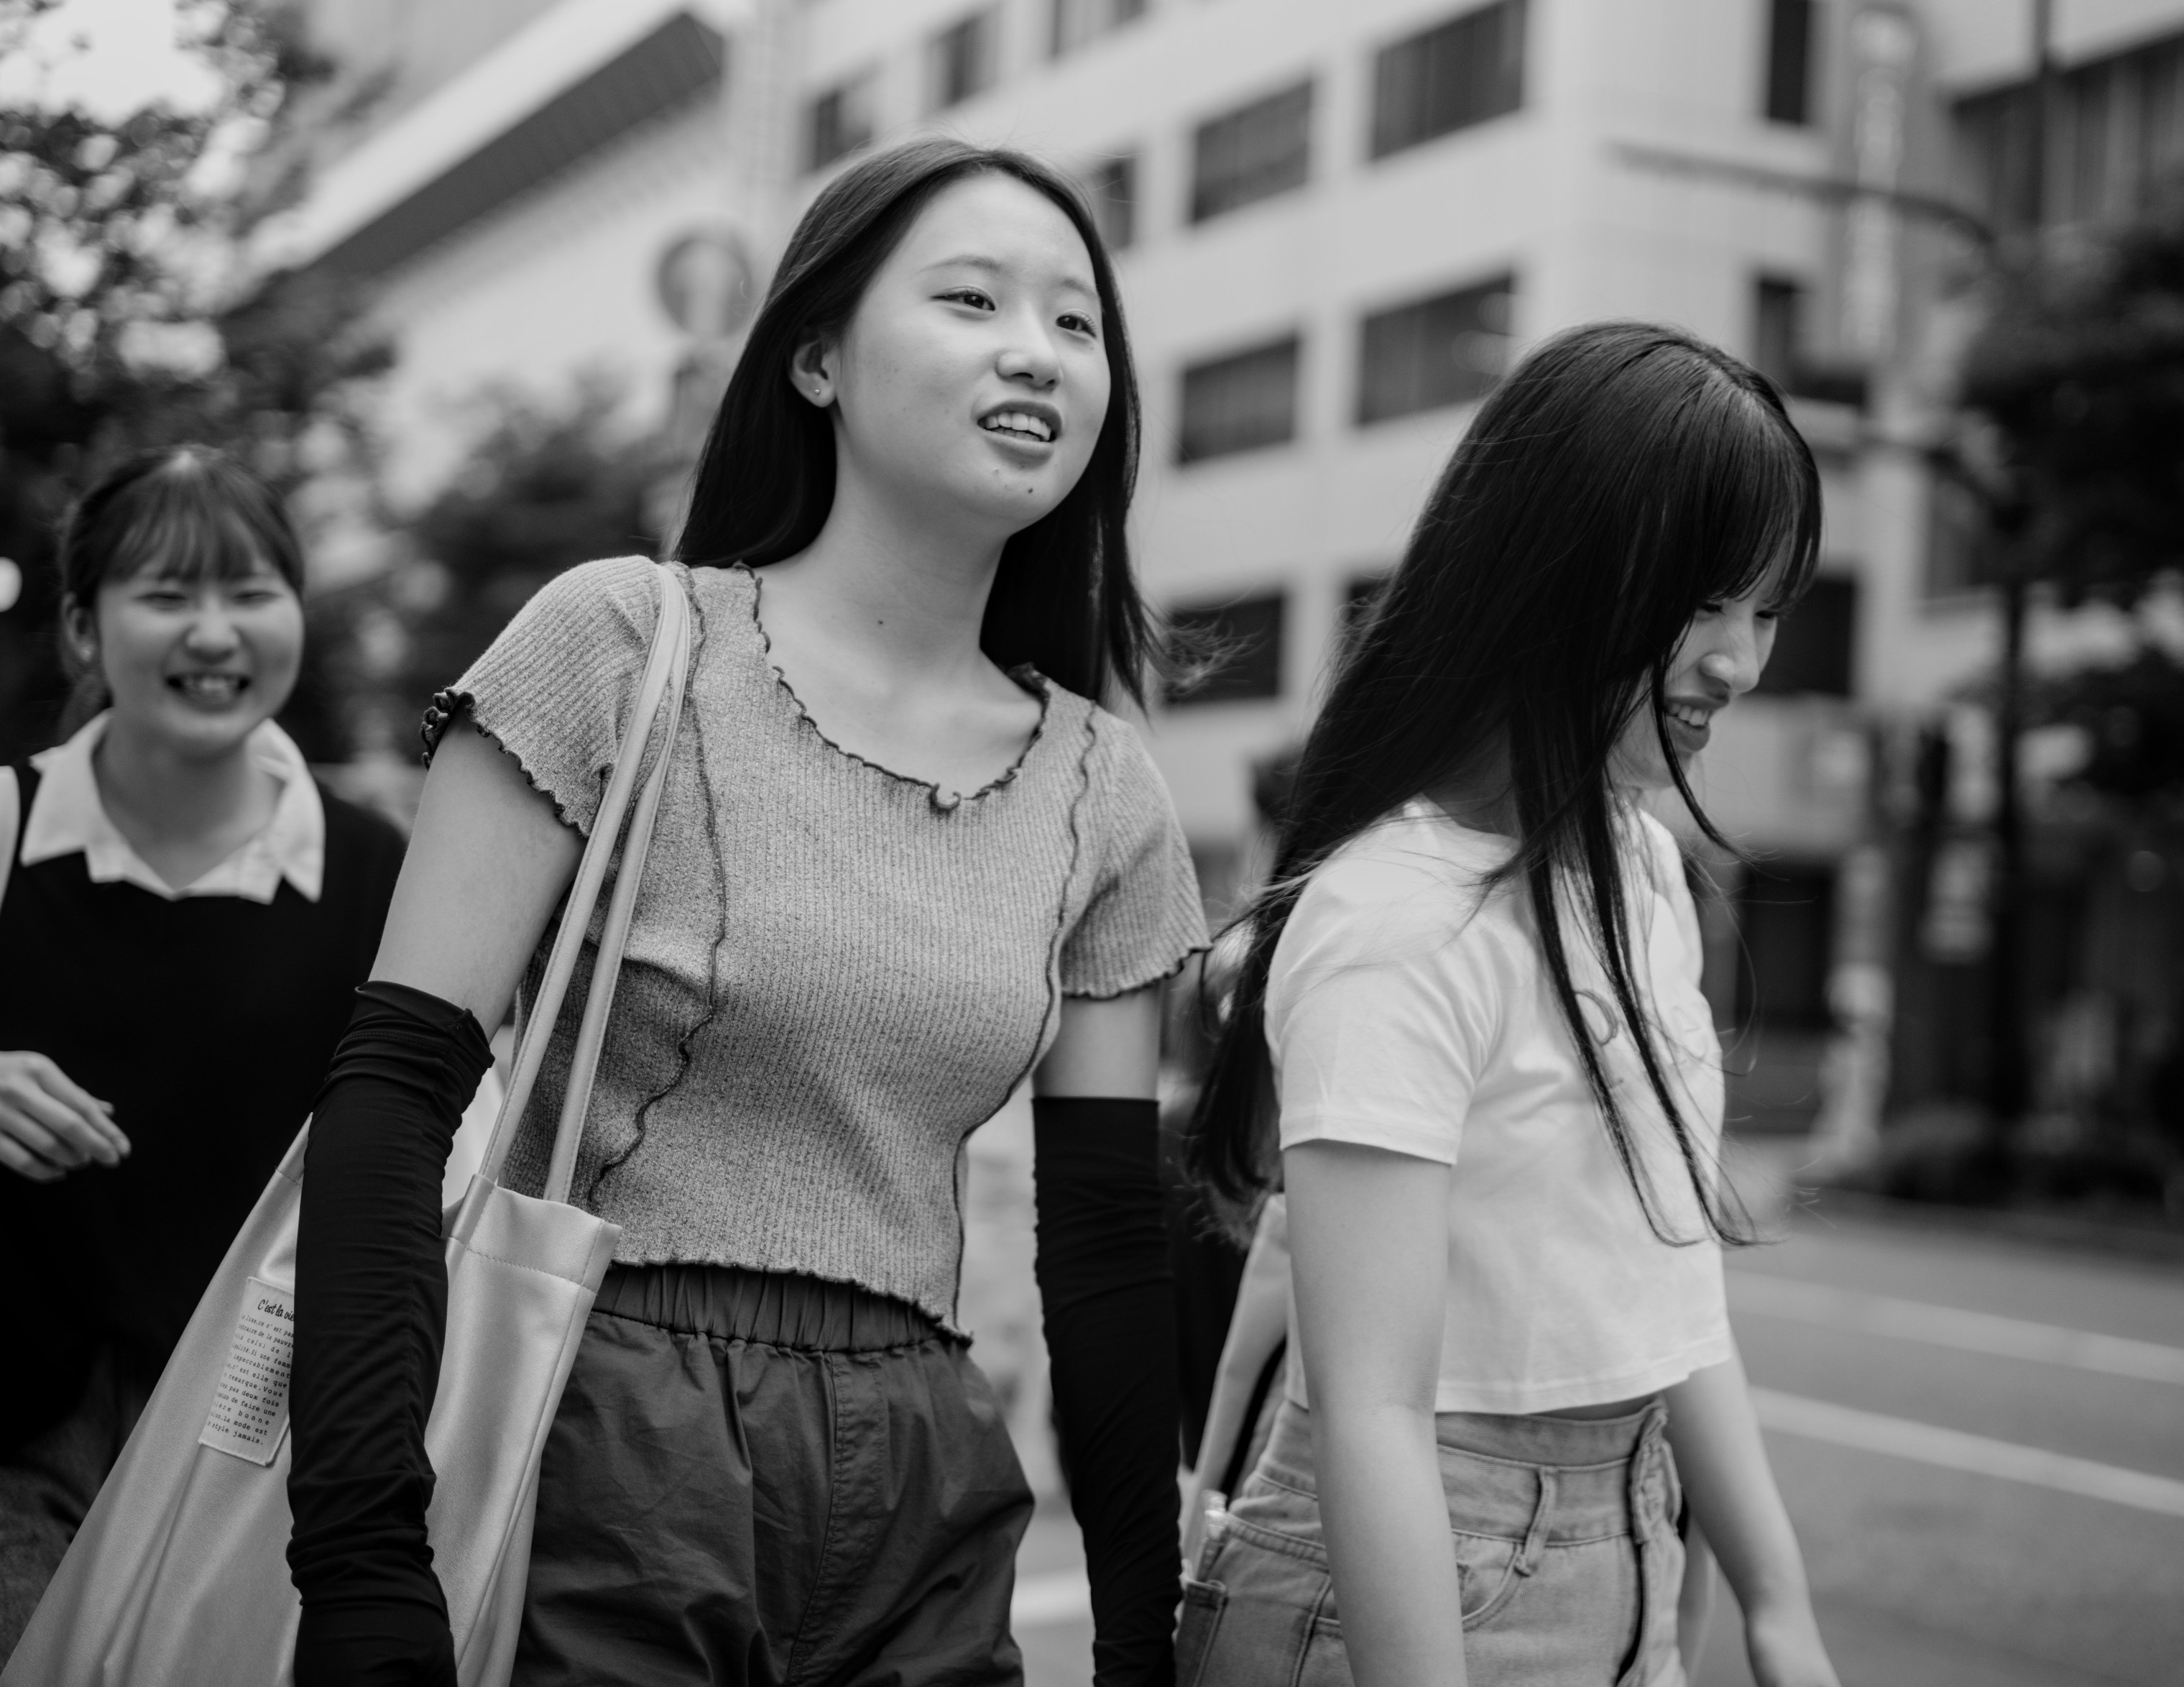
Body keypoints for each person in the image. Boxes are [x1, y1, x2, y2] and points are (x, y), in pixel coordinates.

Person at [284, 137, 1205, 1687]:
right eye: (973, 298)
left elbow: (1104, 1238)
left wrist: (1138, 1631)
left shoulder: (1106, 791)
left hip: (923, 1470)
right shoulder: (619, 643)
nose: (1034, 353)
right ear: (817, 358)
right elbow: (389, 1095)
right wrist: (364, 1565)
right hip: (601, 1424)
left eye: (1077, 321)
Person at [1179, 323, 1845, 1687]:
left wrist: (1778, 1607)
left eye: (1767, 611)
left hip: (1631, 1536)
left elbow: (1668, 1290)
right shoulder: (1400, 918)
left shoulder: (1645, 868)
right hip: (1423, 1565)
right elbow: (1368, 1410)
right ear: (1555, 575)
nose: (1741, 662)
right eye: (1705, 603)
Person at [0, 446, 405, 1650]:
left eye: (249, 592)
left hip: (267, 1435)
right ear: (82, 630)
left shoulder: (382, 872)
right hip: (16, 1422)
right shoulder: (8, 824)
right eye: (168, 596)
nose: (214, 632)